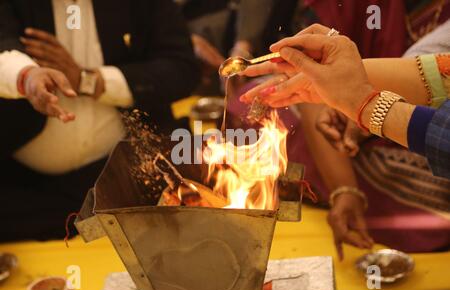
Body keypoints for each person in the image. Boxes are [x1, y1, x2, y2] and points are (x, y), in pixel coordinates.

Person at [240, 23, 450, 258]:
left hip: (419, 146)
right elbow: (437, 70)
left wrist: (365, 105)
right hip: (387, 113)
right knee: (270, 98)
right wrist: (339, 84)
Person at [0, 0, 200, 242]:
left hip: (125, 178)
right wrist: (27, 77)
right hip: (25, 190)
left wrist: (90, 81)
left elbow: (181, 67)